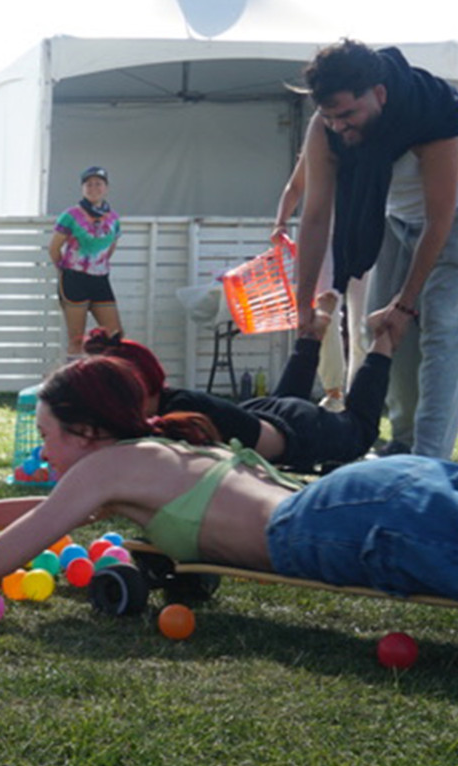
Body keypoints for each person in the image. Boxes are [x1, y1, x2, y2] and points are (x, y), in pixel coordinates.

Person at [0, 354, 458, 600]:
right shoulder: (152, 449)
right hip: (367, 493)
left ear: (89, 433)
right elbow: (38, 512)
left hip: (345, 523)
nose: (44, 453)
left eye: (47, 435)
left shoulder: (107, 466)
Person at [293, 39, 458, 459]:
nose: (341, 126)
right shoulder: (325, 129)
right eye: (331, 117)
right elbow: (314, 218)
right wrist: (303, 304)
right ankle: (401, 443)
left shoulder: (434, 111)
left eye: (348, 114)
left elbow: (440, 220)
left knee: (440, 329)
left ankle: (429, 461)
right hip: (397, 223)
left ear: (379, 94)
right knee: (378, 328)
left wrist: (406, 304)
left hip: (450, 222)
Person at [82, 315, 394, 472]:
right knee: (287, 397)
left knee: (360, 431)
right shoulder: (170, 402)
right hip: (262, 415)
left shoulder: (178, 415)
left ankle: (384, 337)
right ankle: (309, 337)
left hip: (295, 430)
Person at [272, 153, 371, 410]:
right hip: (323, 241)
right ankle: (335, 392)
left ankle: (358, 395)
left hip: (364, 239)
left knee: (363, 325)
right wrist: (280, 222)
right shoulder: (319, 146)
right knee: (324, 315)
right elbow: (294, 186)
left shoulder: (373, 142)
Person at [48, 166, 123, 357]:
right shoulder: (71, 215)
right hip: (74, 279)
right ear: (82, 188)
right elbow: (54, 248)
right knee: (76, 339)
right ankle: (72, 382)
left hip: (100, 279)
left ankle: (108, 379)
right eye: (88, 184)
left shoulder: (113, 218)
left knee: (115, 336)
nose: (93, 187)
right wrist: (66, 271)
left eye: (98, 183)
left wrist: (98, 265)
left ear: (106, 188)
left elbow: (111, 246)